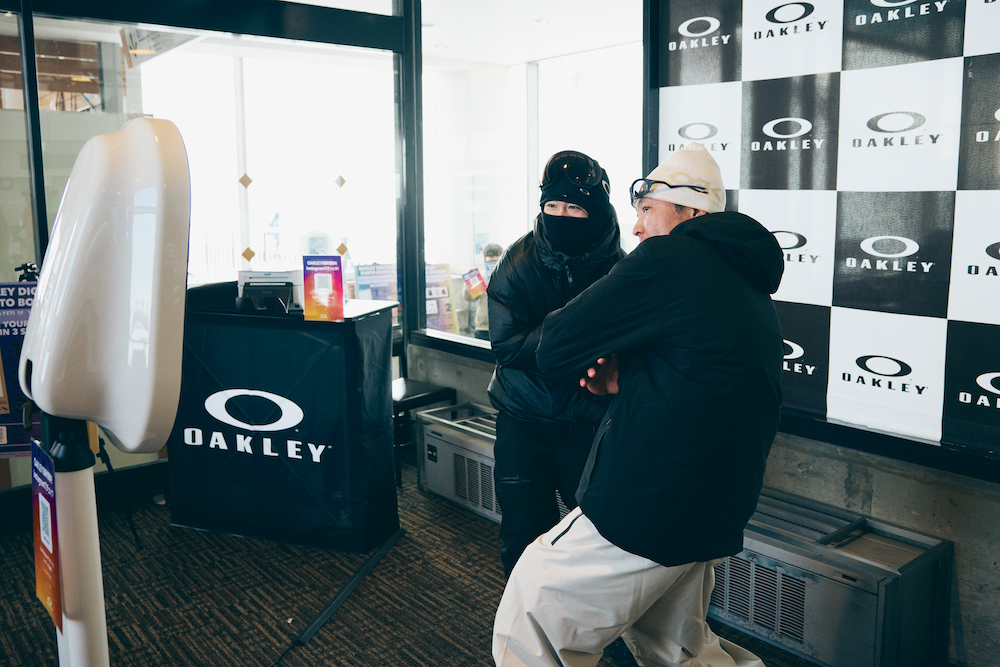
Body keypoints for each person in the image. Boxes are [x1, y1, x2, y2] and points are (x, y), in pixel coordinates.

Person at [492, 142, 784, 667]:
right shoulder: (743, 277)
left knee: (531, 615)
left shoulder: (669, 257)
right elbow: (701, 375)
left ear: (691, 213)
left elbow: (556, 346)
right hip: (714, 503)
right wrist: (625, 377)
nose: (638, 226)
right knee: (678, 648)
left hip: (652, 498)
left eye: (648, 208)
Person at [486, 150, 625, 578]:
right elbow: (506, 345)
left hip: (589, 420)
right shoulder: (517, 262)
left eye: (574, 208)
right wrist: (575, 338)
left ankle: (593, 618)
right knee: (522, 534)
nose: (561, 216)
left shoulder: (623, 269)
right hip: (523, 417)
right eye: (552, 205)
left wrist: (557, 345)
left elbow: (628, 348)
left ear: (595, 209)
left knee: (598, 535)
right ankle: (524, 620)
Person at [464, 243, 504, 340]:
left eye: (496, 262)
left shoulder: (509, 275)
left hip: (503, 324)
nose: (493, 266)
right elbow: (469, 298)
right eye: (490, 263)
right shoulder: (480, 276)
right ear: (485, 260)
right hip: (483, 326)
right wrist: (471, 278)